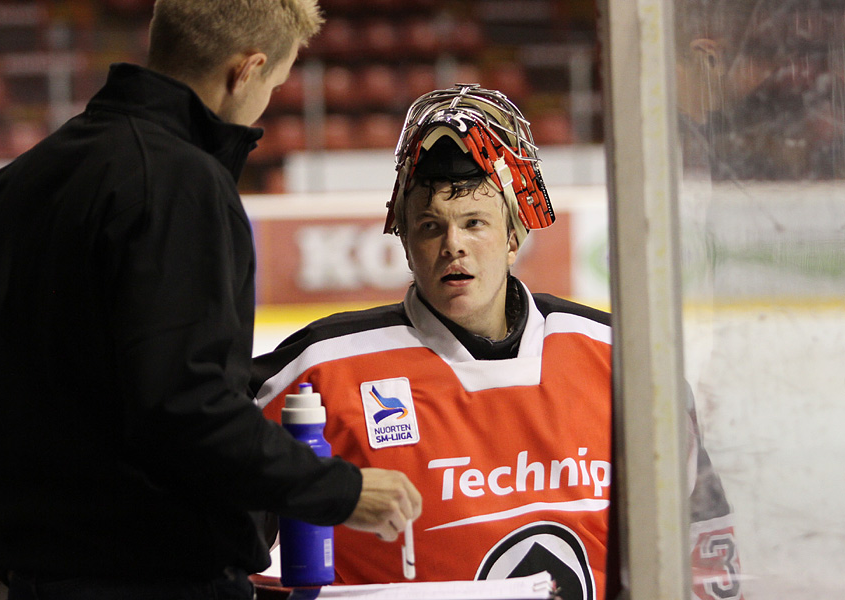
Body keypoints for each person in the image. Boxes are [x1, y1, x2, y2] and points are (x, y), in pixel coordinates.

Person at [0, 1, 420, 599]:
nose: (266, 104)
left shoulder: (21, 180)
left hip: (41, 579)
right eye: (273, 84)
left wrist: (19, 554)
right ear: (245, 72)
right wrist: (340, 490)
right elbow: (187, 406)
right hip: (161, 580)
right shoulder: (181, 183)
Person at [251, 85, 742, 599]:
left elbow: (703, 552)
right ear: (406, 243)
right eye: (429, 226)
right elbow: (210, 536)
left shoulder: (621, 361)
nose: (453, 244)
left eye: (474, 223)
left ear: (513, 238)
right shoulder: (319, 370)